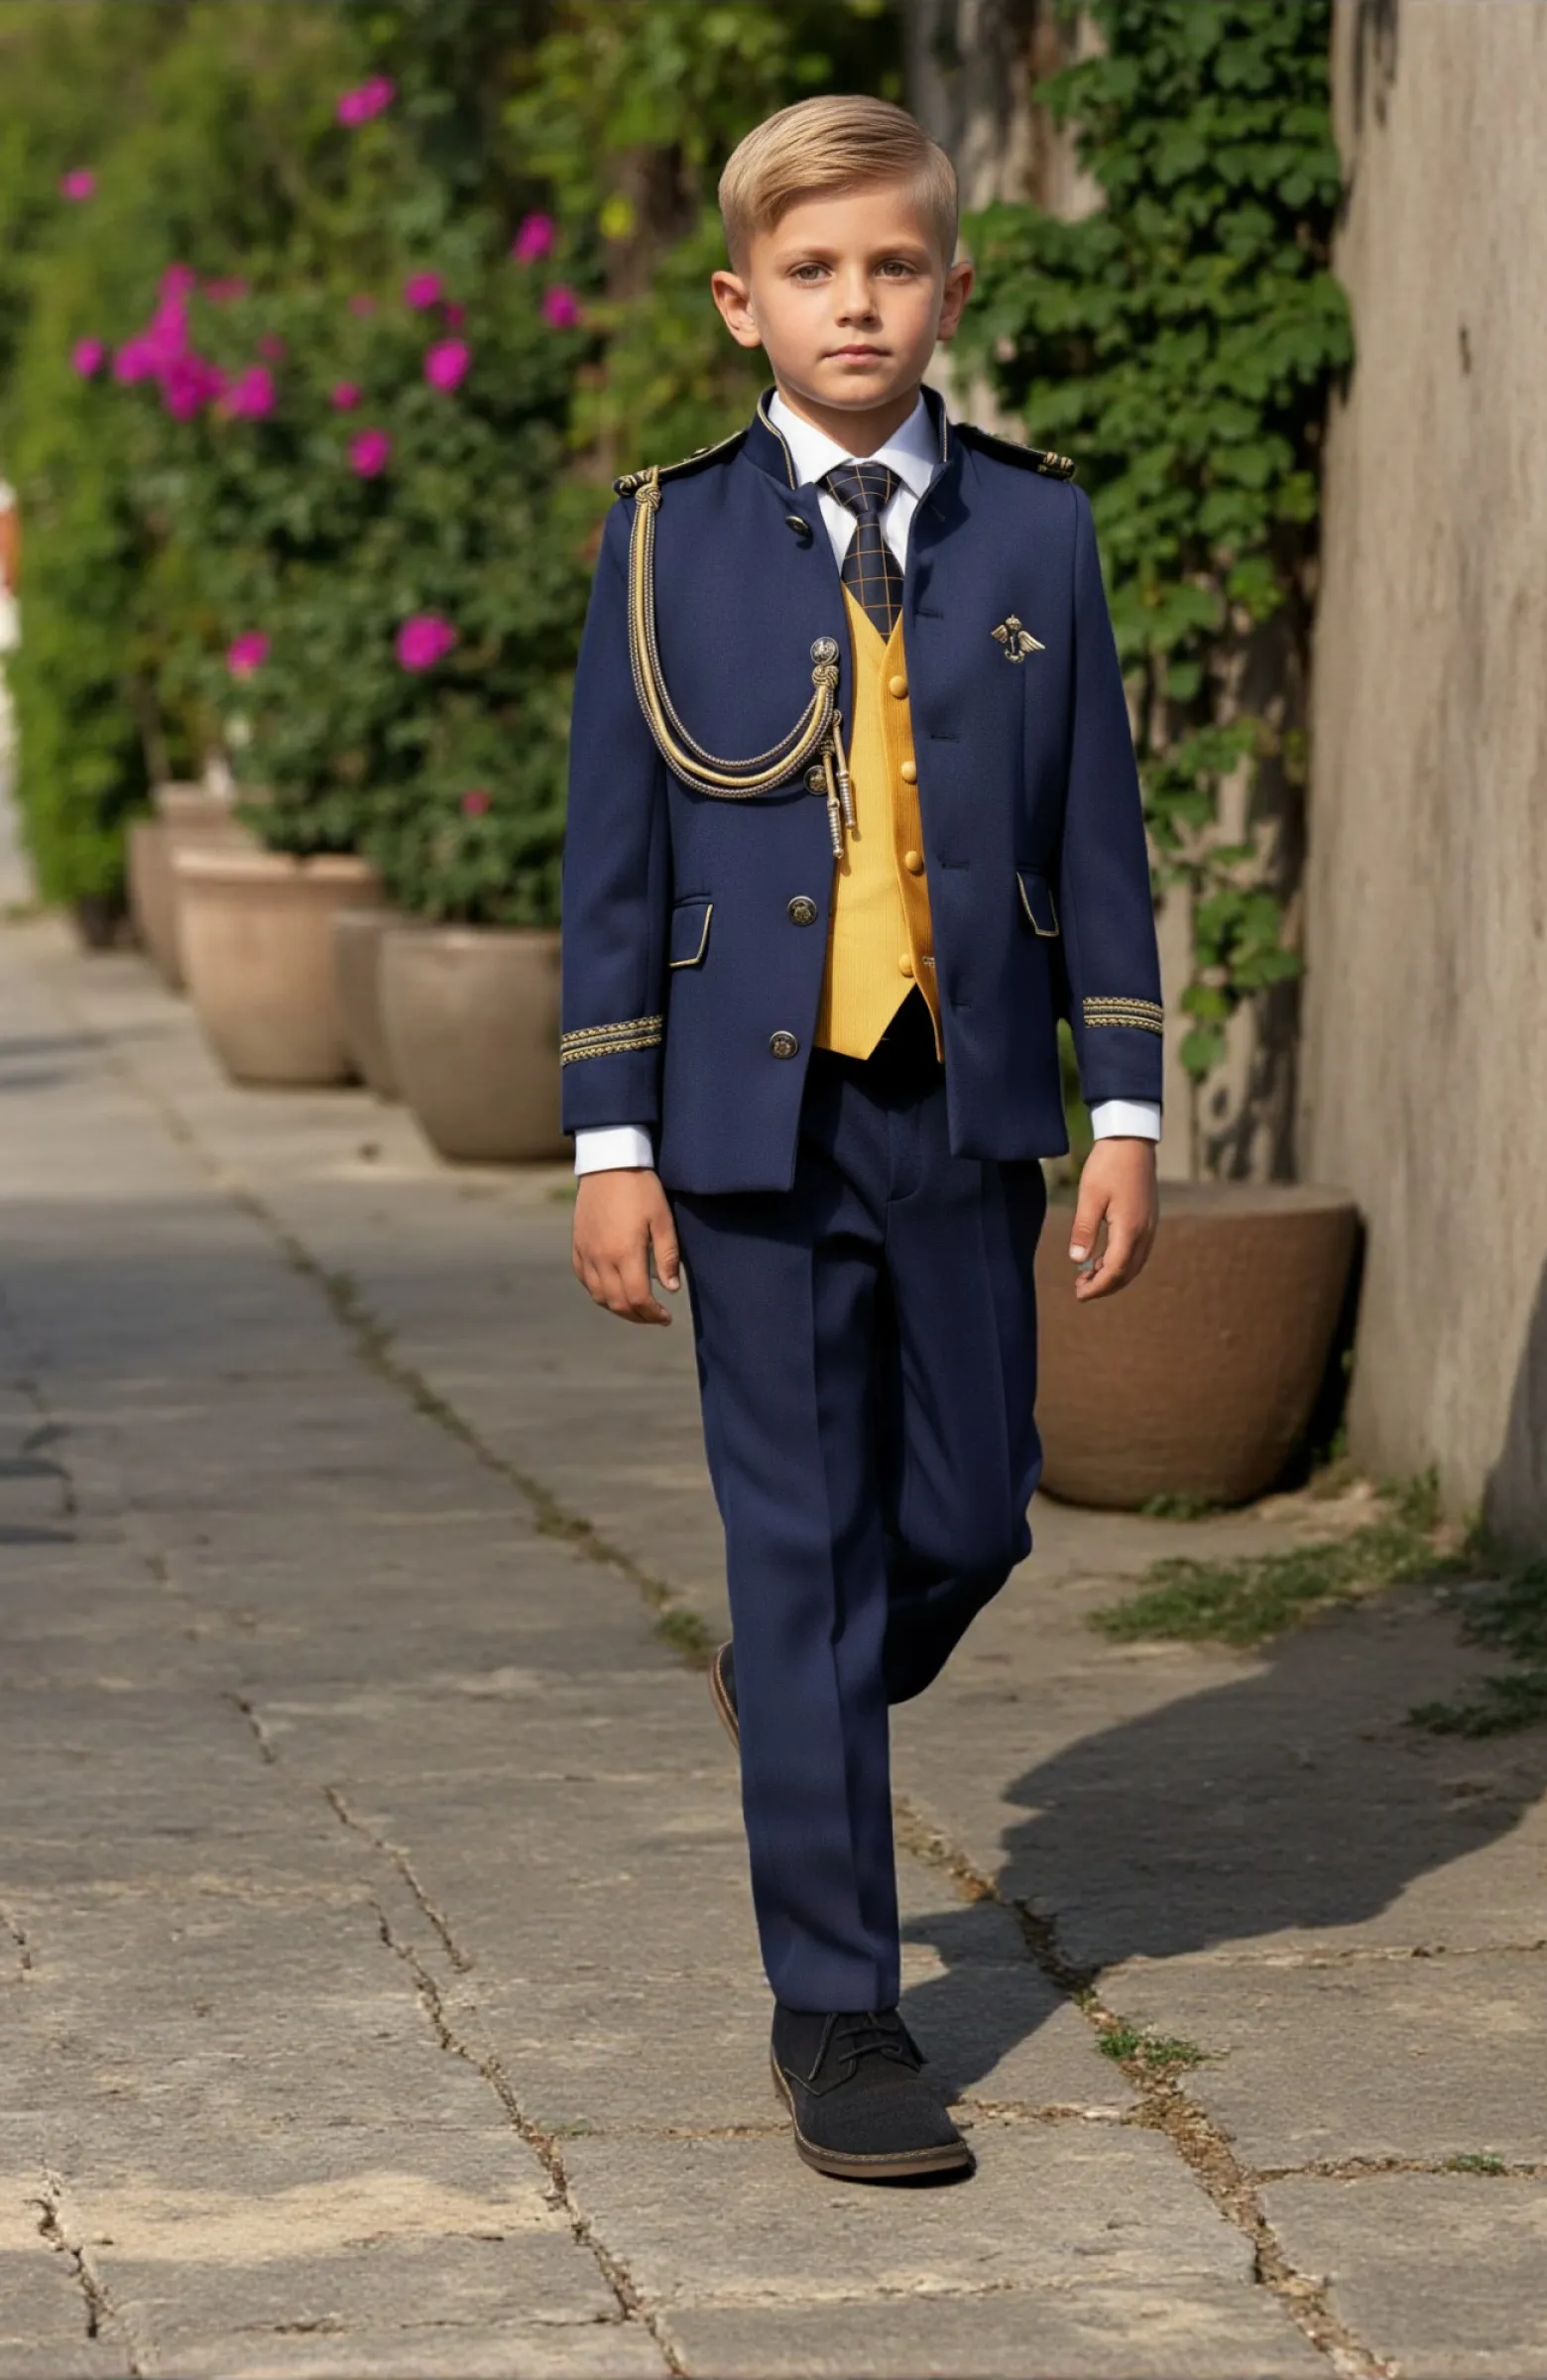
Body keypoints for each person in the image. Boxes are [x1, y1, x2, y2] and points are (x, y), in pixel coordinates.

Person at [560, 94, 1161, 2183]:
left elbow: (1101, 836)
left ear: (951, 286)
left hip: (963, 1103)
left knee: (976, 1511)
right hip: (744, 1122)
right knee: (801, 1551)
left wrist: (1126, 1103)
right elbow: (615, 867)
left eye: (894, 266)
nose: (858, 303)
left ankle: (796, 1683)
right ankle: (841, 2013)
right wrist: (606, 1141)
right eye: (814, 272)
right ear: (744, 302)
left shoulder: (1035, 532)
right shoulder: (664, 540)